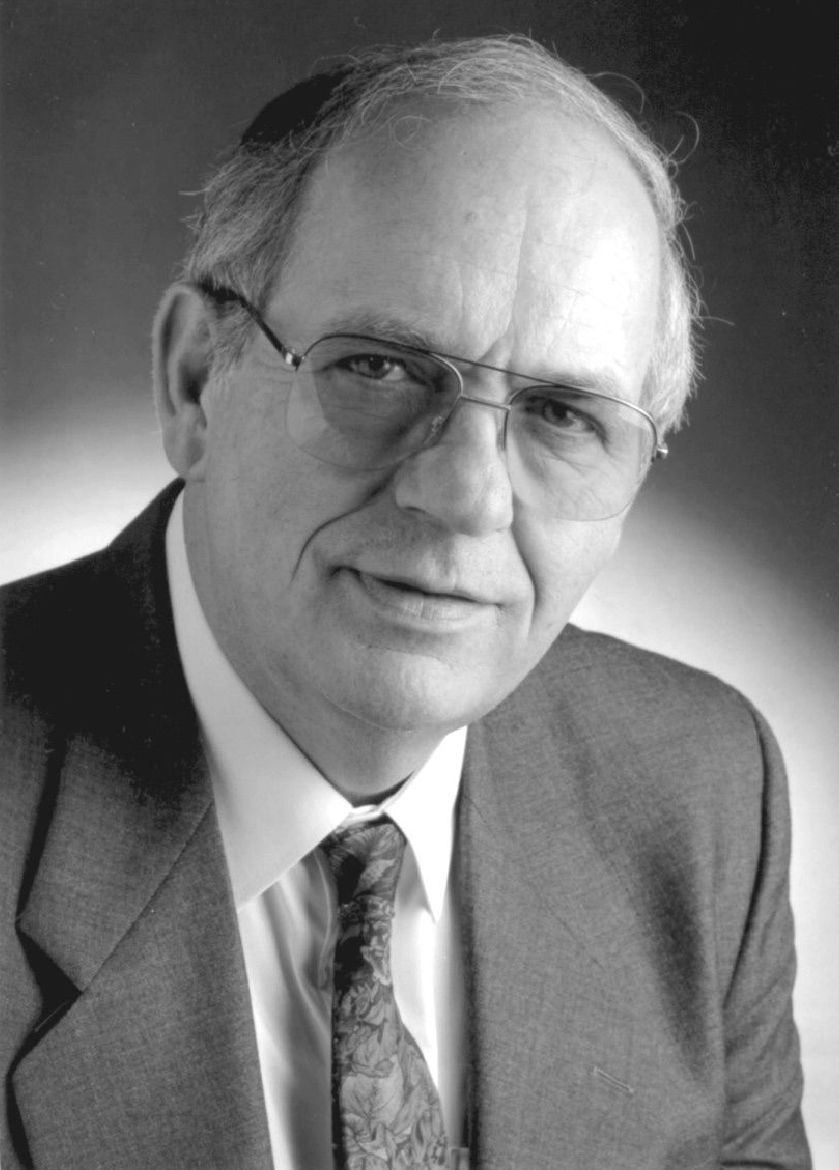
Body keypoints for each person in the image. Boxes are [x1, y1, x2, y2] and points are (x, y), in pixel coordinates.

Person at [0, 34, 810, 1170]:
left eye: (563, 415)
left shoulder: (697, 789)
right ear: (195, 382)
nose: (467, 496)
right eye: (379, 366)